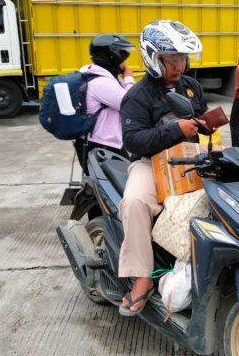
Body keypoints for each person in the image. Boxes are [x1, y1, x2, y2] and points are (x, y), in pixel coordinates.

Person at [119, 20, 207, 316]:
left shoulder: (191, 87)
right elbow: (134, 141)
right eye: (172, 59)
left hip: (189, 157)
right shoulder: (136, 96)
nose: (179, 65)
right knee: (134, 202)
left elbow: (201, 121)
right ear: (153, 59)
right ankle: (142, 277)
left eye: (182, 58)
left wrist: (206, 125)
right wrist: (176, 130)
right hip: (150, 162)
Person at [74, 34, 136, 171]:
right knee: (122, 185)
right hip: (102, 146)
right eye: (123, 58)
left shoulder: (92, 74)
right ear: (113, 58)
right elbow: (132, 104)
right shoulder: (101, 83)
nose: (125, 63)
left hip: (95, 142)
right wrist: (129, 78)